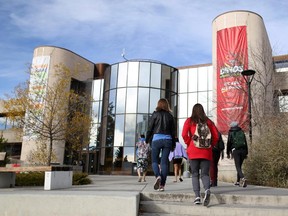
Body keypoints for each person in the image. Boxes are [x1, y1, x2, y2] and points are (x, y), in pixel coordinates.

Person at [182, 103, 219, 206]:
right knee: (205, 174)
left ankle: (197, 196)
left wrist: (189, 142)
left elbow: (184, 134)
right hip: (206, 151)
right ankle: (207, 190)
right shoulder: (209, 122)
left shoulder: (189, 121)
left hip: (193, 151)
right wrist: (211, 145)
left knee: (195, 174)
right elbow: (216, 135)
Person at [146, 98, 176, 192]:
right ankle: (162, 185)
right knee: (164, 162)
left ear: (158, 105)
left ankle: (158, 176)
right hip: (167, 140)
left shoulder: (155, 114)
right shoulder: (170, 116)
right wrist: (173, 144)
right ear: (167, 105)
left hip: (156, 140)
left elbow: (150, 128)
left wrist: (147, 139)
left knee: (154, 161)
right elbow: (173, 132)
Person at [226, 121, 248, 187]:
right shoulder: (241, 131)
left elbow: (229, 143)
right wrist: (246, 152)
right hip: (243, 150)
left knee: (237, 166)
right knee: (240, 166)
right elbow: (245, 142)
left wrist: (228, 152)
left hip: (236, 151)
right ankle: (238, 181)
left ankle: (243, 178)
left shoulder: (231, 132)